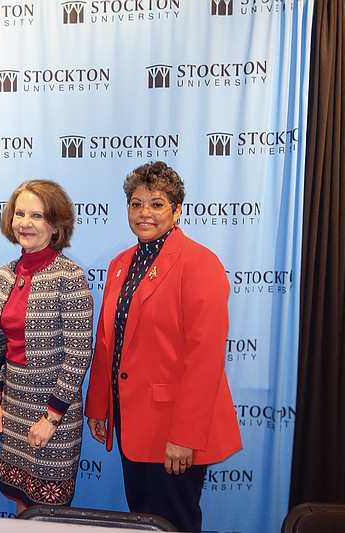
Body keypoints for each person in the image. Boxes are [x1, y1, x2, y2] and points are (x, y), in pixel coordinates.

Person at [85, 161, 241, 532]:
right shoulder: (121, 264)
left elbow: (205, 358)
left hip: (174, 428)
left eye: (157, 203)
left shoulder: (199, 263)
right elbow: (108, 340)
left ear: (177, 211)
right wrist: (99, 405)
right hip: (130, 421)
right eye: (136, 203)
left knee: (175, 524)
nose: (145, 212)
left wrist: (185, 436)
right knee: (144, 522)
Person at [0, 179, 94, 514]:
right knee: (22, 504)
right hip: (12, 405)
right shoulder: (5, 274)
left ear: (55, 224)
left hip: (54, 413)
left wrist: (51, 417)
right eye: (20, 214)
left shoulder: (69, 276)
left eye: (37, 215)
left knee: (49, 512)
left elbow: (78, 355)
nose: (26, 223)